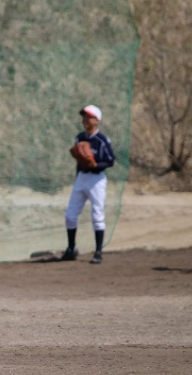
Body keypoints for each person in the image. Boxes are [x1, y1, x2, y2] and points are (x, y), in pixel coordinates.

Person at [61, 105, 116, 264]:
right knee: (70, 215)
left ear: (96, 121)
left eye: (89, 117)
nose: (85, 119)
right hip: (82, 178)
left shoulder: (102, 140)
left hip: (96, 180)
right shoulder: (79, 138)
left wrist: (96, 165)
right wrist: (78, 176)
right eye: (84, 116)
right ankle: (71, 249)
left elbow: (110, 160)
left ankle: (98, 252)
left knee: (97, 216)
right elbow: (79, 161)